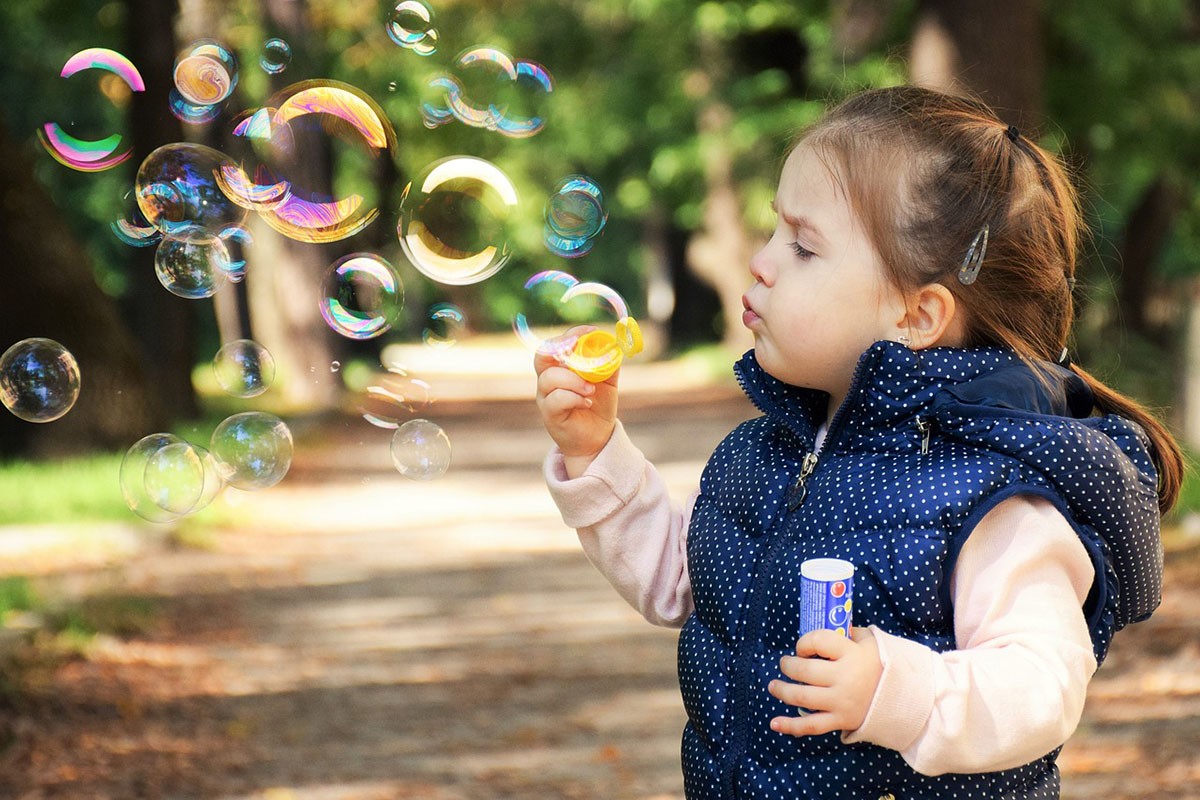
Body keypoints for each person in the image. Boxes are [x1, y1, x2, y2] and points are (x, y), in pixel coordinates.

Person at [533, 85, 1182, 799]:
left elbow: (1041, 684)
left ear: (917, 313)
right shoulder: (766, 454)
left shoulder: (988, 496)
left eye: (805, 247)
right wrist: (597, 454)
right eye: (775, 230)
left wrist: (895, 690)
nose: (761, 261)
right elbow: (684, 584)